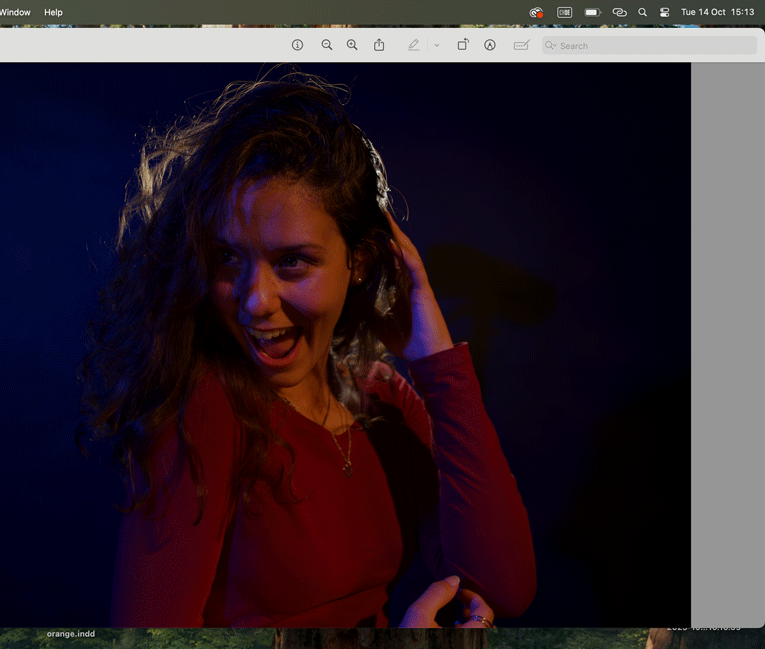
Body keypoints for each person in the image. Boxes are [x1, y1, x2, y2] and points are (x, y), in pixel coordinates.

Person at [79, 74, 536, 627]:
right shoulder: (206, 408)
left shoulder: (381, 399)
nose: (254, 300)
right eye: (228, 257)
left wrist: (435, 360)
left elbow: (505, 587)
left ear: (361, 260)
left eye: (292, 261)